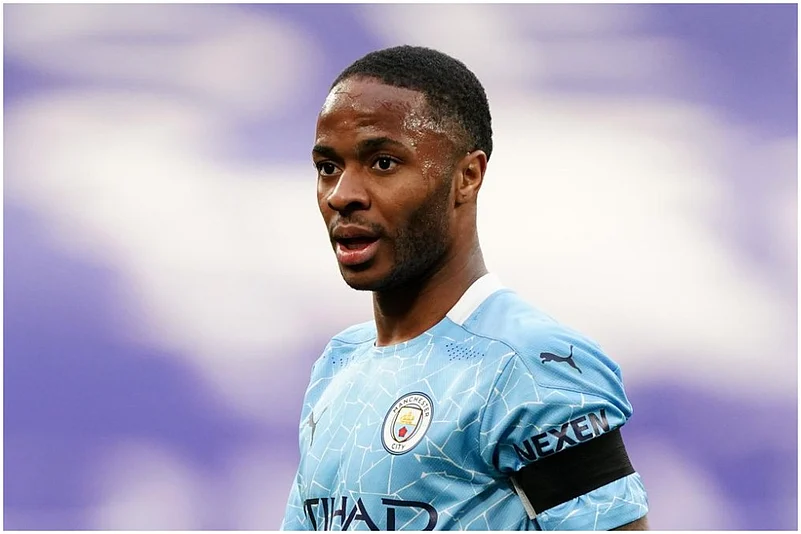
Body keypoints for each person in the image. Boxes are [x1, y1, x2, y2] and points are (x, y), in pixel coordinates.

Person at [281, 45, 649, 531]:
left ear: (467, 176)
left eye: (383, 163)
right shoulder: (338, 364)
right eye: (328, 167)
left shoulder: (531, 365)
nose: (342, 195)